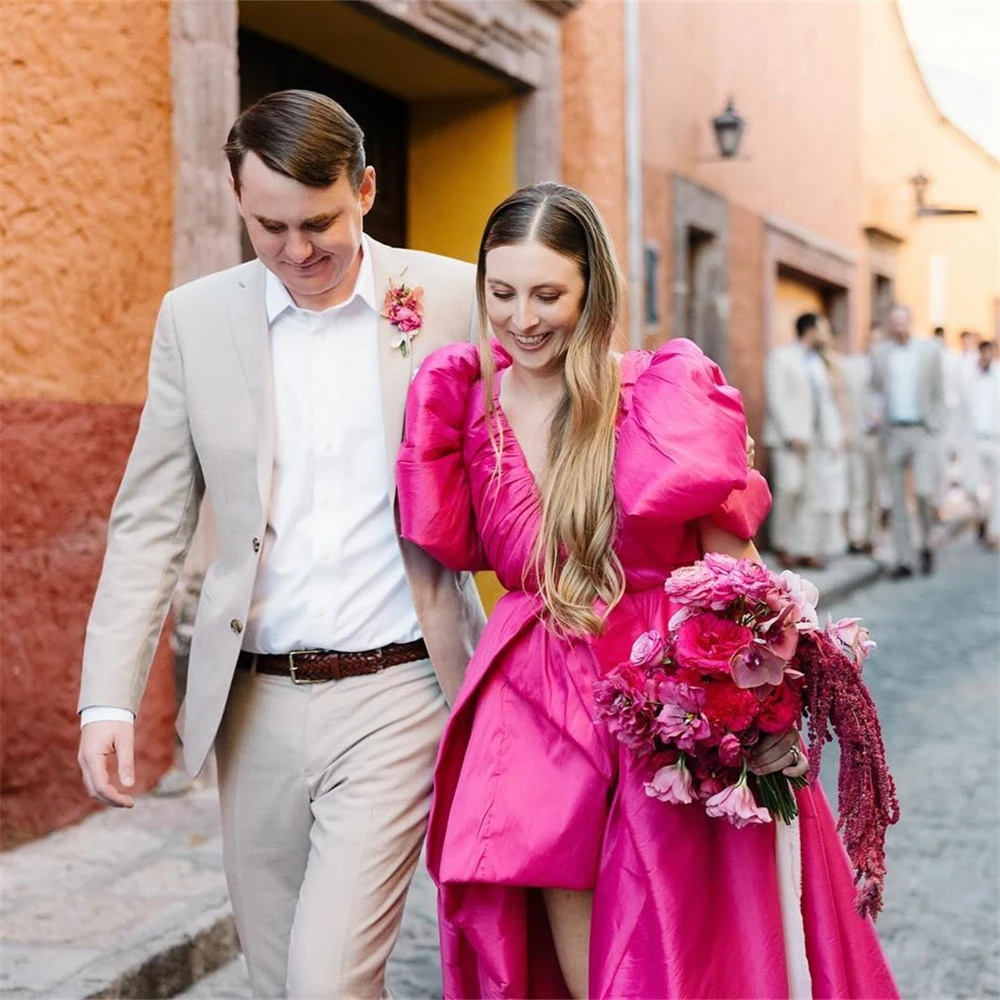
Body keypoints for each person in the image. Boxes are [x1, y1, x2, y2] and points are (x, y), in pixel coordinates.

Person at [397, 183, 897, 999]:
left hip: (666, 700)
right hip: (531, 708)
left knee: (680, 943)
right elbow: (439, 579)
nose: (523, 318)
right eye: (502, 293)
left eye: (548, 294)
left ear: (593, 290)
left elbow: (737, 576)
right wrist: (474, 720)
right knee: (574, 954)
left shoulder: (658, 395)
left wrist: (761, 713)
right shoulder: (460, 401)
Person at [76, 90, 487, 999]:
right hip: (252, 703)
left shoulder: (453, 296)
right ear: (235, 199)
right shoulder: (194, 319)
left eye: (319, 222)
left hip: (399, 689)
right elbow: (152, 516)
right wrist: (106, 699)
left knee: (327, 982)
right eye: (270, 226)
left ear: (367, 190)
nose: (297, 250)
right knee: (277, 981)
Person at [870, 304, 945, 578]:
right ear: (890, 325)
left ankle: (926, 544)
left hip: (921, 431)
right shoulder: (880, 353)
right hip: (893, 432)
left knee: (924, 492)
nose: (899, 326)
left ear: (910, 321)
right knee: (897, 499)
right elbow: (875, 390)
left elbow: (939, 391)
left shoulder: (928, 352)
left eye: (903, 321)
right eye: (894, 322)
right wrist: (874, 416)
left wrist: (935, 425)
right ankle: (904, 558)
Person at [764, 313, 826, 569]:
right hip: (788, 438)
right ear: (811, 330)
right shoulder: (782, 357)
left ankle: (805, 549)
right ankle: (782, 545)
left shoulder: (817, 361)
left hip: (812, 438)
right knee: (788, 490)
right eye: (823, 329)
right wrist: (791, 433)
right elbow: (775, 396)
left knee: (809, 495)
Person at [964, 339, 1000, 549]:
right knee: (970, 486)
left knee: (998, 488)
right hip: (973, 440)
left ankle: (994, 531)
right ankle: (982, 516)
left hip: (996, 439)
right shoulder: (970, 377)